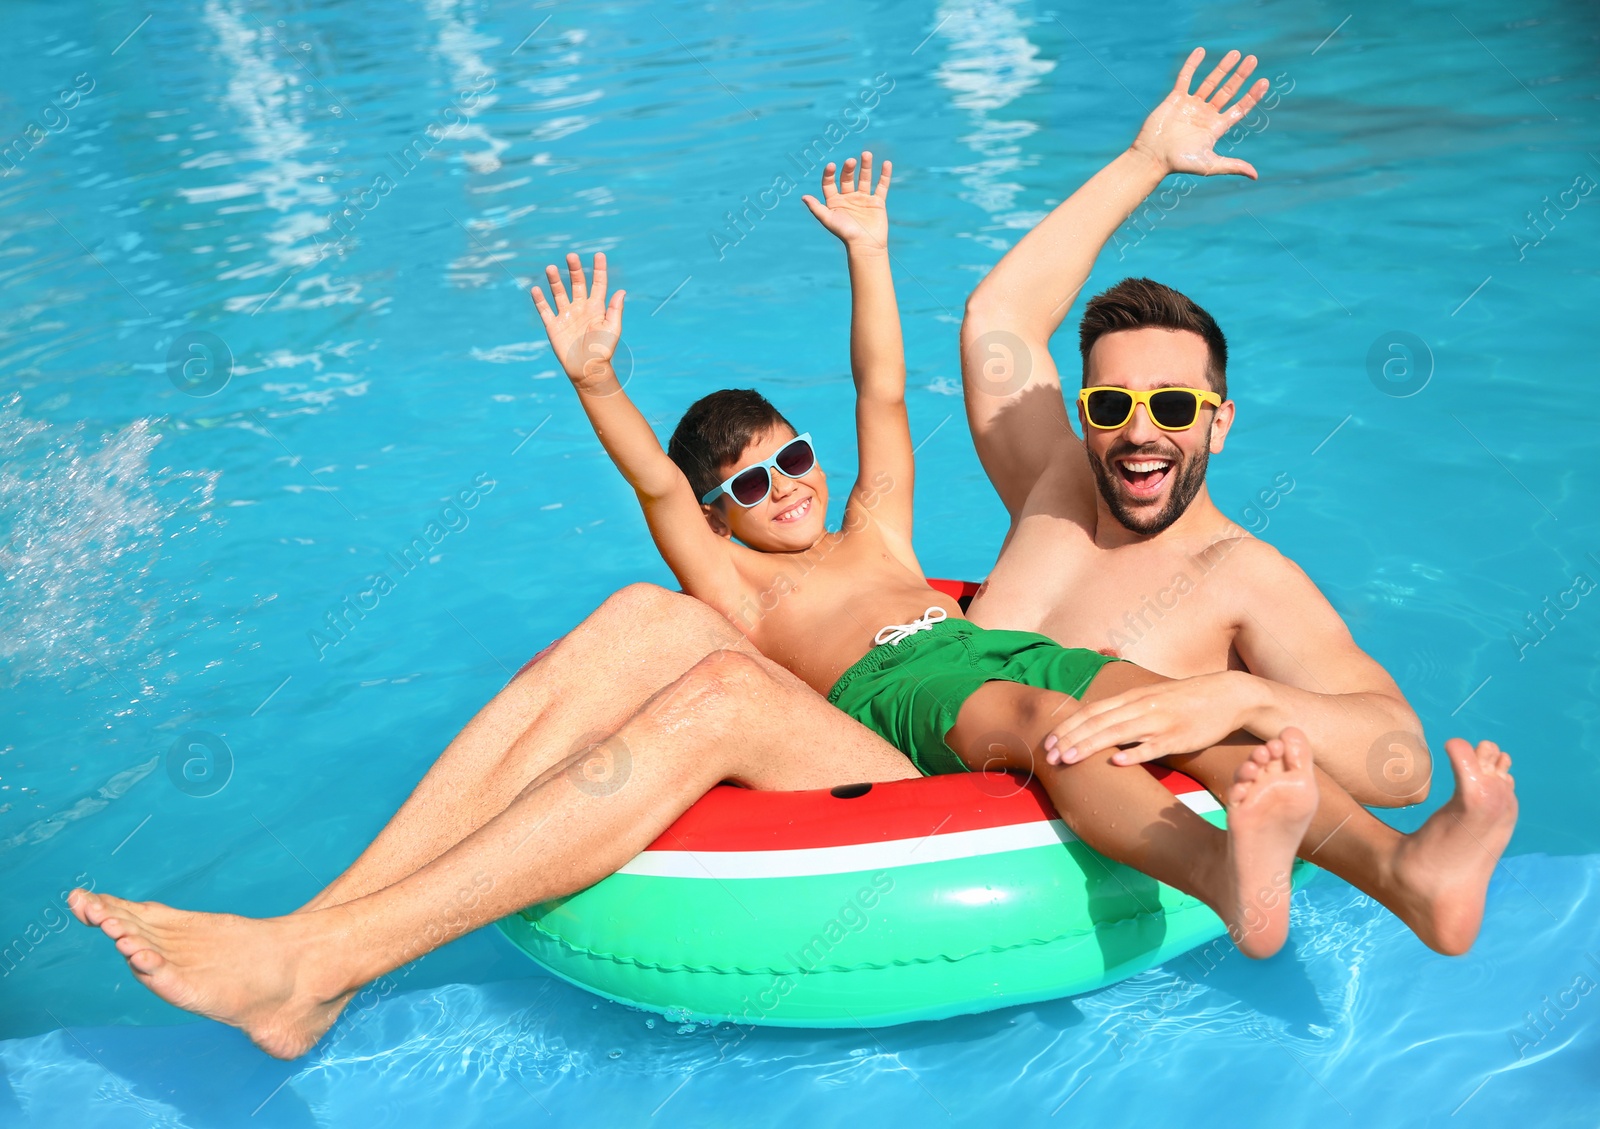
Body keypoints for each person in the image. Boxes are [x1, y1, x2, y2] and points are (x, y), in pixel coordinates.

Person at [67, 50, 1516, 1062]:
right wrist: (1140, 159)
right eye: (1116, 402)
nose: (1141, 433)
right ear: (1087, 410)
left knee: (818, 708)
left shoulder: (1243, 576)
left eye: (1173, 408)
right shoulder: (1053, 488)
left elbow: (1387, 746)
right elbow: (986, 323)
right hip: (910, 717)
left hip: (1047, 733)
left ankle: (316, 961)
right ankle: (314, 938)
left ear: (1222, 418)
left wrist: (1233, 703)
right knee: (647, 616)